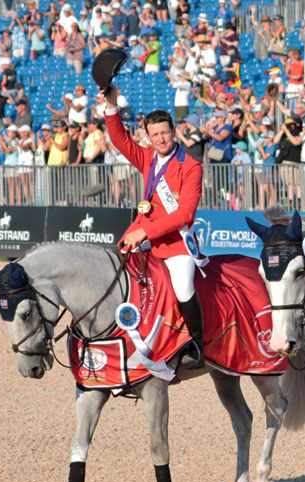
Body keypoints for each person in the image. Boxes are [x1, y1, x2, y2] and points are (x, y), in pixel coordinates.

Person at [100, 82, 207, 369]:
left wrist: (145, 232)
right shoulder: (147, 157)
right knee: (115, 275)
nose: (161, 139)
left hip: (175, 242)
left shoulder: (191, 167)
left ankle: (197, 344)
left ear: (174, 132)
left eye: (165, 132)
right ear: (147, 136)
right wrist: (112, 105)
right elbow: (119, 139)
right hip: (142, 235)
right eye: (155, 134)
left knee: (184, 287)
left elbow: (184, 214)